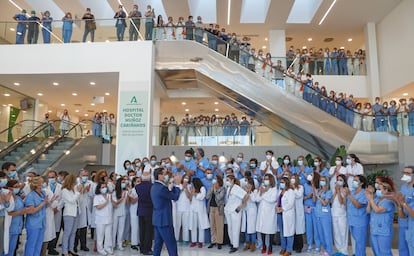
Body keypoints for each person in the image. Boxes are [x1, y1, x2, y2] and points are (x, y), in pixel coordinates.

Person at [151, 168, 181, 256]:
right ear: (159, 175)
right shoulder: (161, 188)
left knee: (158, 244)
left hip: (157, 219)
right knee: (171, 244)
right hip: (164, 220)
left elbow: (168, 193)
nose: (166, 176)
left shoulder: (155, 186)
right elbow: (175, 197)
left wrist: (172, 185)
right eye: (164, 174)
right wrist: (178, 185)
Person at [366, 177, 395, 256]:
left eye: (380, 189)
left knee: (384, 252)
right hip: (374, 229)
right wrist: (369, 200)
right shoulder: (376, 199)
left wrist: (371, 200)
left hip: (383, 231)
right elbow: (368, 211)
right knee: (376, 251)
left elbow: (377, 210)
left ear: (386, 190)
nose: (377, 191)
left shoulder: (389, 201)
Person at [344, 175, 369, 256]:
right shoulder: (351, 192)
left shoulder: (364, 193)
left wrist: (349, 195)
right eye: (353, 180)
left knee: (360, 242)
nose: (353, 182)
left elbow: (358, 205)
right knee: (356, 241)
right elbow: (346, 204)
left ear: (361, 183)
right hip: (352, 220)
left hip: (360, 221)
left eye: (356, 180)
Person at [224, 175, 248, 253]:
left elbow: (246, 196)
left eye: (228, 180)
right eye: (226, 180)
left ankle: (235, 246)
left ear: (232, 180)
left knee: (235, 228)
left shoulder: (237, 188)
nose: (226, 182)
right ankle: (232, 243)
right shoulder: (228, 188)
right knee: (230, 228)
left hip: (235, 211)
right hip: (228, 210)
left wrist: (241, 205)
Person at [24, 176, 47, 256]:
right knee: (31, 245)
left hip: (41, 223)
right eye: (42, 182)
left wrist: (49, 201)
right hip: (33, 224)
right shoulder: (31, 196)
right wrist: (43, 203)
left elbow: (44, 206)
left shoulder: (43, 193)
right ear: (38, 185)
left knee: (38, 244)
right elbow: (31, 211)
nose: (44, 183)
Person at [256, 174, 278, 254]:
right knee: (262, 230)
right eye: (264, 179)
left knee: (270, 230)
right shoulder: (262, 188)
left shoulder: (274, 189)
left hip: (270, 212)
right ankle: (264, 245)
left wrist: (264, 193)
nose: (265, 180)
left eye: (267, 179)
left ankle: (270, 247)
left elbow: (272, 199)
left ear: (271, 180)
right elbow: (257, 199)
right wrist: (261, 192)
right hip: (262, 211)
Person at [396, 166, 414, 256]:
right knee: (403, 247)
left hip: (411, 222)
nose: (405, 175)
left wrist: (403, 204)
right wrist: (400, 204)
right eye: (404, 173)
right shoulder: (403, 187)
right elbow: (401, 203)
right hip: (404, 221)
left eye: (408, 173)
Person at [5, 180, 25, 256]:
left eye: (18, 187)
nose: (18, 188)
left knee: (12, 249)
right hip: (10, 226)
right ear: (9, 188)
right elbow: (8, 213)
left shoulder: (18, 198)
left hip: (17, 227)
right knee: (6, 249)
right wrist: (23, 211)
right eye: (16, 187)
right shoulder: (8, 198)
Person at [135, 171, 153, 255]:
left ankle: (142, 248)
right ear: (149, 178)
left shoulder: (137, 187)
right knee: (148, 231)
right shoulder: (152, 186)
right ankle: (147, 249)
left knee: (142, 230)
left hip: (140, 211)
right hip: (149, 211)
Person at [46, 170, 63, 255]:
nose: (51, 179)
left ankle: (52, 247)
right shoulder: (45, 187)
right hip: (48, 211)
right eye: (49, 177)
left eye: (52, 177)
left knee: (56, 229)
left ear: (56, 177)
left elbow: (62, 199)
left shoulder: (61, 187)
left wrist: (57, 208)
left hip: (57, 211)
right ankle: (46, 246)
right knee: (48, 228)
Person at [277, 177, 295, 256]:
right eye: (280, 182)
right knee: (282, 232)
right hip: (280, 214)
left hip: (287, 214)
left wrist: (282, 209)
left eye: (282, 182)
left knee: (289, 232)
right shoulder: (280, 191)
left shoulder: (290, 192)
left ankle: (289, 249)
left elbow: (290, 204)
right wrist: (277, 207)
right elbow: (278, 201)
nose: (281, 183)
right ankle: (283, 248)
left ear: (286, 183)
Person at [94, 182, 113, 255]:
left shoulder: (109, 195)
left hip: (109, 218)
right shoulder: (97, 197)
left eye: (105, 187)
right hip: (100, 219)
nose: (104, 188)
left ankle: (107, 248)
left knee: (108, 235)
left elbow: (113, 205)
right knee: (100, 235)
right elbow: (98, 207)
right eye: (102, 187)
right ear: (99, 189)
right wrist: (106, 202)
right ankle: (100, 249)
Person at [331, 174, 349, 256]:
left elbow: (342, 202)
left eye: (341, 180)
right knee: (336, 233)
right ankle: (338, 249)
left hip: (342, 215)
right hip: (334, 214)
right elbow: (331, 201)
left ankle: (344, 251)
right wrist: (335, 191)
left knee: (343, 233)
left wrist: (339, 191)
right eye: (338, 179)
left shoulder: (345, 190)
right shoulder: (335, 189)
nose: (339, 181)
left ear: (344, 181)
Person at [74, 170, 91, 252]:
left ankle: (83, 245)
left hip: (85, 208)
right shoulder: (75, 182)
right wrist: (84, 190)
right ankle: (74, 246)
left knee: (84, 228)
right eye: (84, 175)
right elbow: (76, 193)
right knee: (76, 229)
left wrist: (87, 190)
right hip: (77, 207)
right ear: (80, 175)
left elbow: (91, 195)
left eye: (87, 175)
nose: (85, 177)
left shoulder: (89, 183)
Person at [189, 177, 209, 248]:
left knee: (201, 226)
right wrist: (192, 193)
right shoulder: (192, 188)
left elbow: (202, 197)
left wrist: (194, 193)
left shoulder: (202, 188)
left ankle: (200, 242)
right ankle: (193, 241)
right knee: (193, 226)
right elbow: (190, 198)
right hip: (193, 209)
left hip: (200, 210)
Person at [241, 177, 258, 252]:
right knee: (247, 228)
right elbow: (243, 200)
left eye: (250, 184)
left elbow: (254, 200)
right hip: (246, 211)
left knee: (252, 228)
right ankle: (247, 243)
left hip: (252, 211)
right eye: (247, 183)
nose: (248, 185)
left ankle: (253, 243)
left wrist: (249, 192)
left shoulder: (255, 191)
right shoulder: (244, 191)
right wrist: (246, 192)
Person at [174, 175, 192, 245]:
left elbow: (190, 198)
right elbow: (176, 196)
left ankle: (185, 240)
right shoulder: (177, 186)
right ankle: (176, 239)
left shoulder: (190, 186)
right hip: (178, 208)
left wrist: (186, 188)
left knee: (185, 225)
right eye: (185, 178)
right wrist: (182, 188)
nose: (186, 179)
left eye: (187, 178)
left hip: (187, 208)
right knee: (177, 225)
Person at [112, 177, 128, 250]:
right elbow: (115, 203)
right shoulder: (114, 192)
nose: (124, 184)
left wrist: (127, 196)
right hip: (115, 212)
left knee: (121, 229)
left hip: (123, 212)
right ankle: (112, 245)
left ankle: (119, 244)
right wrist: (122, 197)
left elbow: (127, 203)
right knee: (114, 229)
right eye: (122, 182)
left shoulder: (126, 192)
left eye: (124, 182)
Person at [291, 174, 305, 253]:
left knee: (298, 230)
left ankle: (299, 246)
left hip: (299, 211)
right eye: (291, 178)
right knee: (293, 229)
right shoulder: (289, 188)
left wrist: (294, 188)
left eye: (293, 178)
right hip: (292, 210)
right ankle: (293, 245)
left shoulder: (300, 187)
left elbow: (298, 195)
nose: (292, 179)